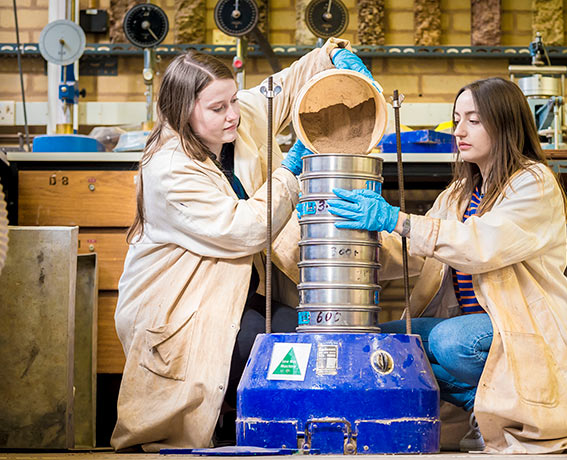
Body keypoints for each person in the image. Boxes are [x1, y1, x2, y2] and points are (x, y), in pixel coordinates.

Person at [328, 77, 567, 453]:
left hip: (518, 331)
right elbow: (411, 253)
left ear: (506, 125)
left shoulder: (533, 183)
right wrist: (345, 245)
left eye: (474, 120)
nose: (459, 131)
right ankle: (482, 411)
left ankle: (499, 414)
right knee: (381, 342)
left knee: (449, 342)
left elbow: (481, 245)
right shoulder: (459, 193)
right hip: (473, 331)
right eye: (456, 119)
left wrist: (396, 219)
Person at [111, 39, 375, 451]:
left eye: (233, 100)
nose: (233, 114)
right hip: (183, 309)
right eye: (218, 108)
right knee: (283, 347)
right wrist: (292, 167)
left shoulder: (230, 120)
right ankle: (248, 422)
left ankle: (275, 425)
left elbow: (283, 89)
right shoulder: (169, 169)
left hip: (233, 296)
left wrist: (332, 58)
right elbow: (244, 230)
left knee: (307, 336)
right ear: (184, 112)